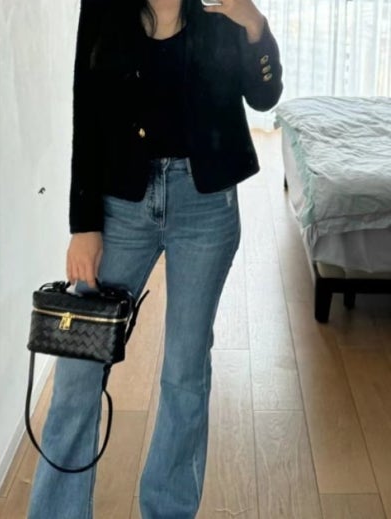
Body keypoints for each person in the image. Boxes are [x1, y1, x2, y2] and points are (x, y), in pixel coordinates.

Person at [28, 0, 282, 517]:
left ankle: (167, 510)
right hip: (120, 205)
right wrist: (83, 224)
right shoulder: (106, 6)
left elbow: (264, 97)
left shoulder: (221, 8)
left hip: (205, 205)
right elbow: (87, 105)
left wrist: (253, 22)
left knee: (185, 371)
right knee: (78, 369)